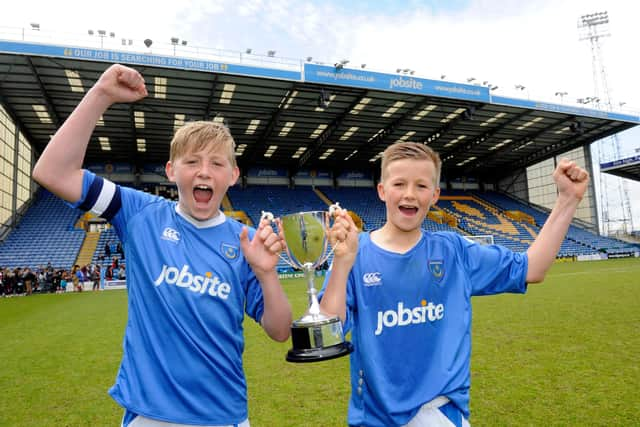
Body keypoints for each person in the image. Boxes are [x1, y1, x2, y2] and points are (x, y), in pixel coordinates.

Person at [32, 63, 292, 427]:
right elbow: (52, 173)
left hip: (225, 416)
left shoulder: (244, 241)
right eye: (192, 162)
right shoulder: (140, 213)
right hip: (151, 415)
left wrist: (267, 274)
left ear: (232, 176)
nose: (204, 171)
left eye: (217, 163)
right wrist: (101, 94)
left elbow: (280, 331)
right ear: (171, 170)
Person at [319, 142, 589, 427]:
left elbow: (532, 268)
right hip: (373, 419)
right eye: (399, 183)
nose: (410, 194)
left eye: (421, 186)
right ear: (382, 190)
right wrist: (342, 263)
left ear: (435, 195)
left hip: (440, 414)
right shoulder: (352, 252)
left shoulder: (454, 251)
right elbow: (328, 333)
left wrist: (567, 200)